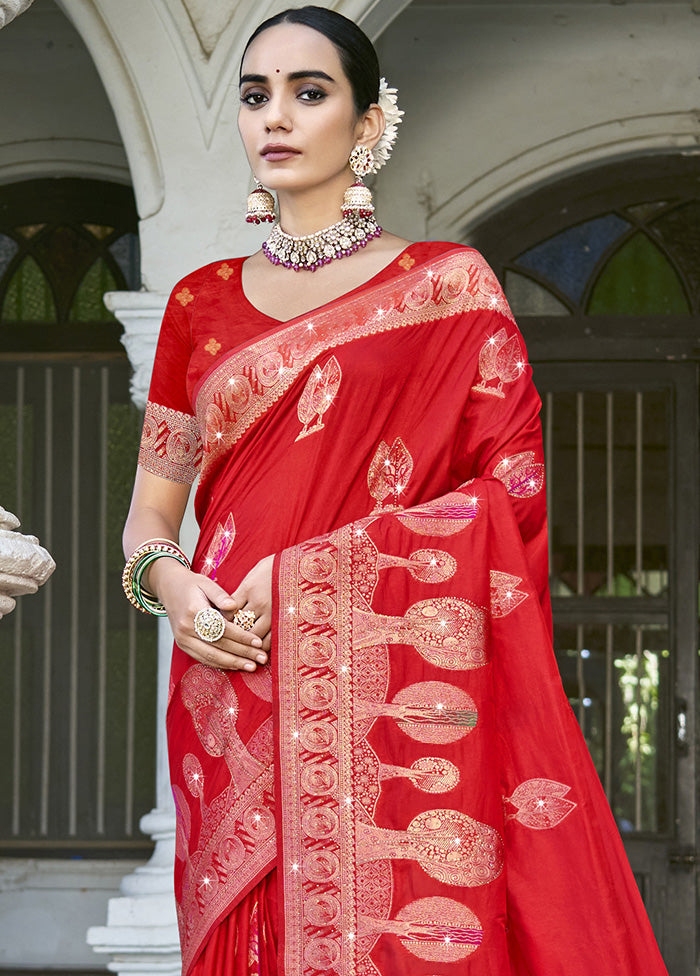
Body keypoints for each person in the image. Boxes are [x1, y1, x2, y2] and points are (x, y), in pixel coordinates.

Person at [122, 7, 669, 976]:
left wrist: (306, 578)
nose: (276, 118)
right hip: (231, 683)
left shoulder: (447, 289)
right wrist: (171, 589)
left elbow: (510, 495)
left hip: (394, 692)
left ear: (370, 125)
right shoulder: (196, 306)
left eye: (309, 91)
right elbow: (151, 519)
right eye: (255, 95)